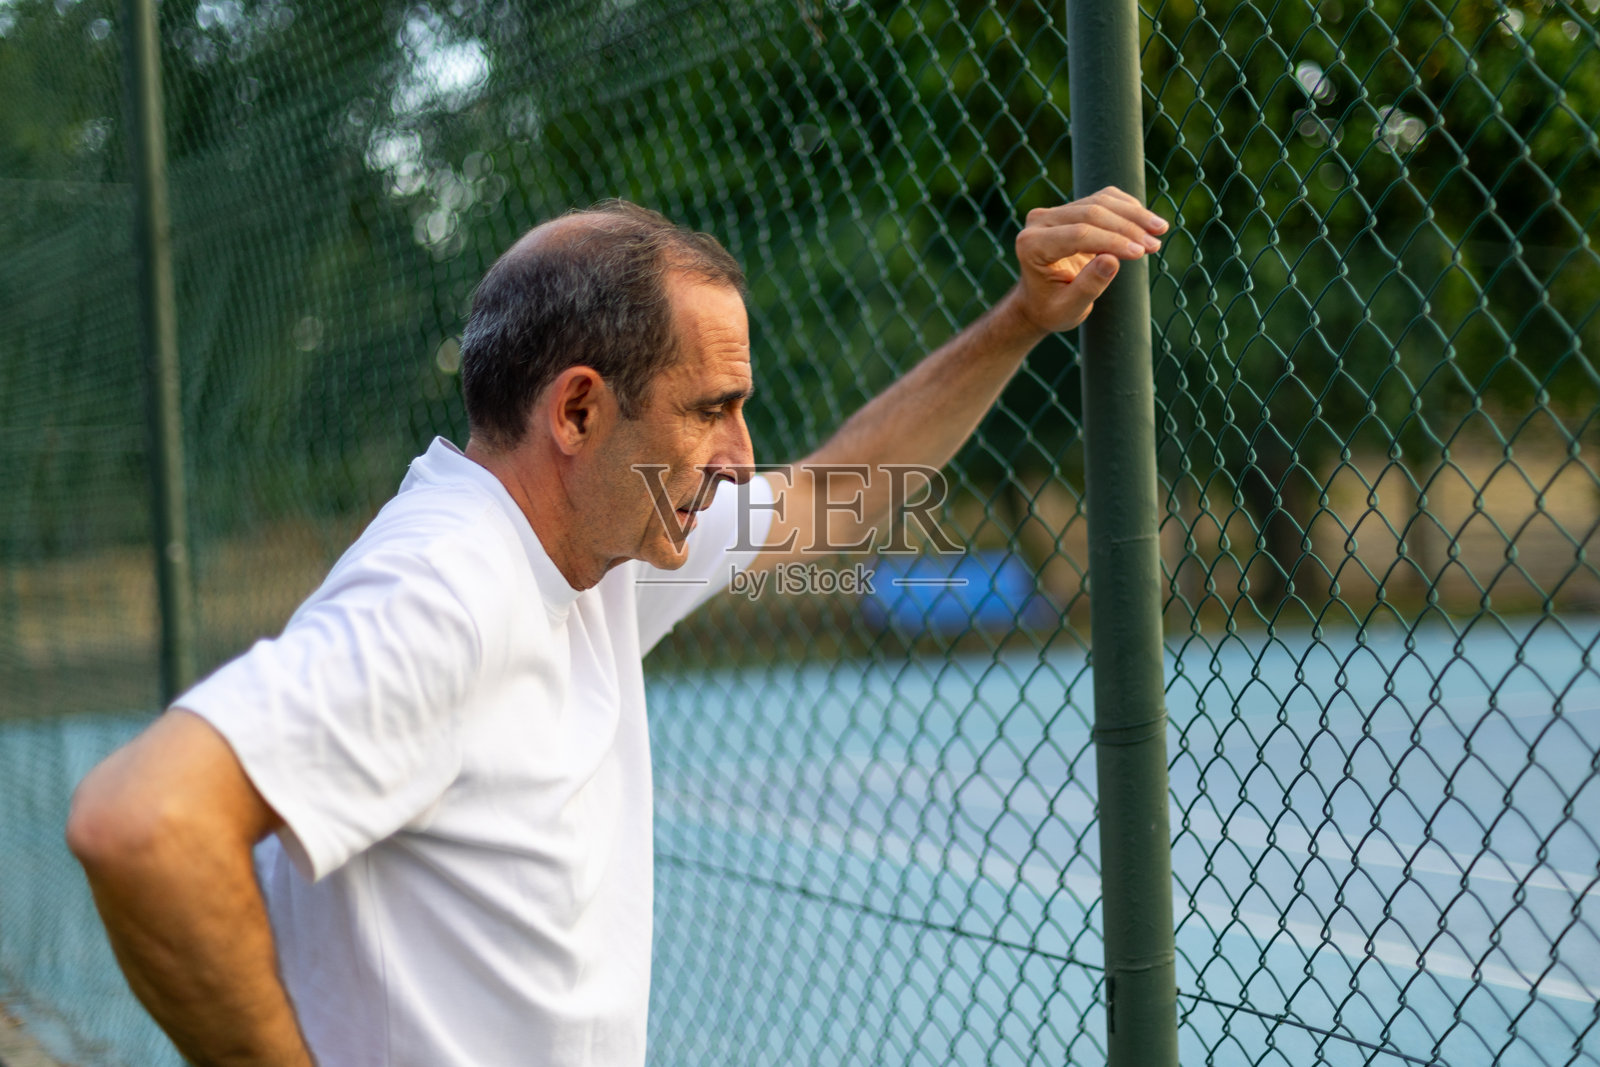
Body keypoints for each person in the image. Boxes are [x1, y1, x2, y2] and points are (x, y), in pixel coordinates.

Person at [66, 187, 1167, 1067]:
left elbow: (841, 485)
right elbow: (140, 821)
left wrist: (1023, 318)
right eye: (710, 407)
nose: (739, 452)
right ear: (580, 411)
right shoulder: (448, 590)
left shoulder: (603, 546)